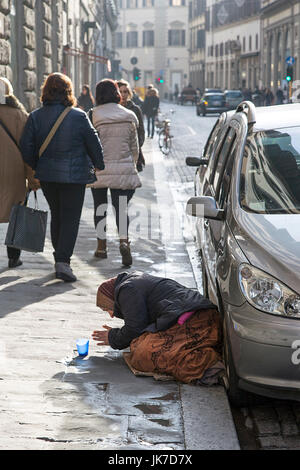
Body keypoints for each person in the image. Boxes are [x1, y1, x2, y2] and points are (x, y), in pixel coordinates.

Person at [20, 73, 104, 282]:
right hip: (74, 177)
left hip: (47, 175)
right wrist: (99, 164)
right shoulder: (79, 116)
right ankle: (63, 261)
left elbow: (26, 147)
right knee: (70, 218)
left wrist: (37, 164)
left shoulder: (35, 116)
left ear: (45, 91)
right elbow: (93, 143)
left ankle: (60, 257)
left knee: (57, 214)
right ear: (68, 91)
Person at [92, 272, 224, 384]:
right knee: (141, 343)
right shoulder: (131, 283)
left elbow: (135, 328)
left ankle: (206, 365)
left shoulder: (127, 289)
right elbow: (139, 325)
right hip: (195, 315)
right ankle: (198, 353)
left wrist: (113, 337)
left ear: (112, 299)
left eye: (108, 308)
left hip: (196, 319)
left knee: (143, 352)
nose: (111, 315)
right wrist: (119, 335)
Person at [88, 79, 141, 266]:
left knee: (99, 207)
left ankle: (101, 247)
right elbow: (135, 147)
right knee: (121, 208)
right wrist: (131, 164)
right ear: (116, 93)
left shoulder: (93, 115)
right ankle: (124, 242)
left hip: (100, 168)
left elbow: (89, 145)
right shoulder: (129, 115)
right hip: (123, 168)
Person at [0, 77, 40, 268]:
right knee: (17, 212)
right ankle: (13, 257)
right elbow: (29, 149)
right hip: (15, 173)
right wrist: (32, 178)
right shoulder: (20, 115)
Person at [117, 79, 145, 172]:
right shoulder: (113, 109)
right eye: (120, 91)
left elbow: (141, 130)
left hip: (132, 151)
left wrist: (137, 145)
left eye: (125, 91)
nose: (123, 94)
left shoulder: (135, 109)